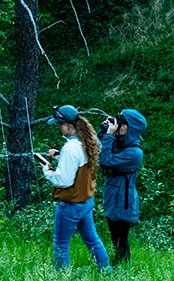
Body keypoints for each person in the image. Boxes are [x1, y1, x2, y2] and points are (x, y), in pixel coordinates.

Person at [34, 104, 110, 271]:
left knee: (60, 243)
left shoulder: (70, 147)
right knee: (93, 240)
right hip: (86, 201)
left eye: (59, 124)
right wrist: (59, 155)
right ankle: (106, 271)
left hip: (71, 203)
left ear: (67, 125)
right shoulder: (88, 140)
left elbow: (63, 180)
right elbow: (78, 162)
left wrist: (47, 169)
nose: (59, 128)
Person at [99, 110, 146, 264]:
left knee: (121, 239)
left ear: (130, 128)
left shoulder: (135, 153)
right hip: (112, 196)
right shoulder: (118, 143)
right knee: (115, 238)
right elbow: (98, 146)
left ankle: (123, 268)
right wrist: (104, 130)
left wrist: (109, 135)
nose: (117, 127)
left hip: (123, 201)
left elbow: (105, 159)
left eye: (121, 124)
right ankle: (118, 266)